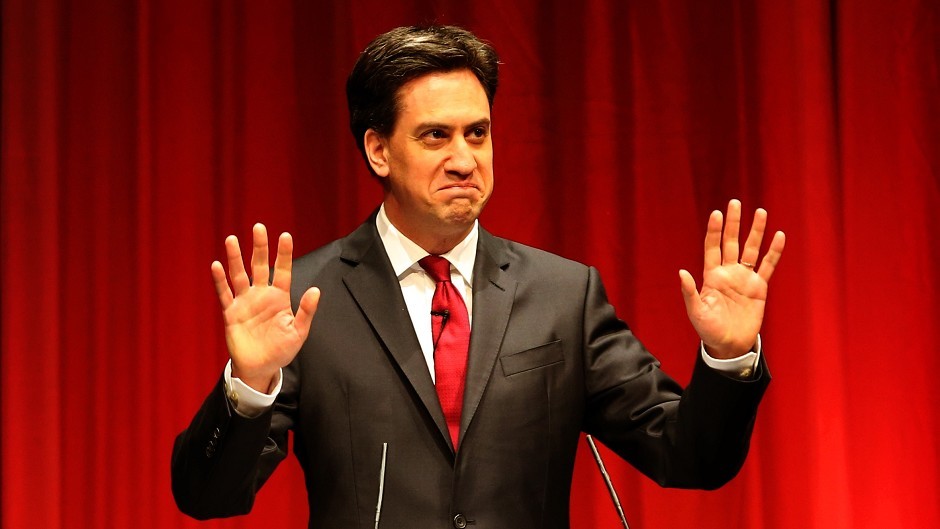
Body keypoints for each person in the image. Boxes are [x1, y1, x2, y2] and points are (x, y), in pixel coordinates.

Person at [171, 25, 785, 528]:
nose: (465, 160)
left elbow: (691, 456)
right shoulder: (308, 301)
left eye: (478, 134)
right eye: (435, 135)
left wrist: (728, 358)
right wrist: (249, 386)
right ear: (378, 150)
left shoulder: (562, 297)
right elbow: (208, 497)